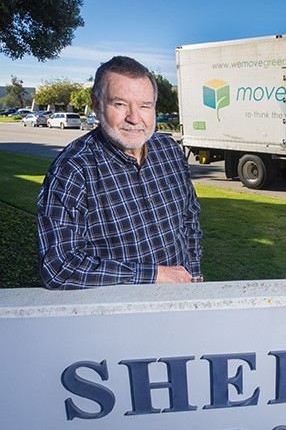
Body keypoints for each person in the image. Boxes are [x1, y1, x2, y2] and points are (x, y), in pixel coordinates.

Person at [37, 56, 203, 289]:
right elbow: (58, 268)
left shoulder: (169, 151)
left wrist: (192, 275)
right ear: (96, 104)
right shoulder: (72, 170)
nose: (134, 118)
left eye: (145, 106)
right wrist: (152, 275)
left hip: (179, 301)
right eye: (120, 104)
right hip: (117, 315)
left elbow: (189, 220)